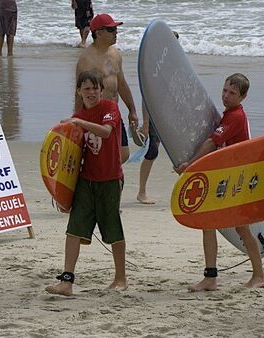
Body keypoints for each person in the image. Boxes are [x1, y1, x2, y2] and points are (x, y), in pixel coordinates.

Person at [175, 73, 264, 291]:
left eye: (232, 93)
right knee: (209, 224)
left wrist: (191, 165)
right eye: (225, 90)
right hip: (228, 177)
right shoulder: (229, 115)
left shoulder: (235, 117)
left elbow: (211, 142)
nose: (226, 95)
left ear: (242, 97)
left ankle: (259, 275)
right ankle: (210, 277)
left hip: (238, 180)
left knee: (242, 228)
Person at [45, 70, 127, 296]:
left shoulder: (110, 108)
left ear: (101, 89)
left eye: (95, 88)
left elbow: (107, 132)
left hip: (110, 180)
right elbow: (70, 158)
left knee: (113, 230)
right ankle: (67, 281)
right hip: (85, 182)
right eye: (86, 88)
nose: (91, 92)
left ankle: (120, 278)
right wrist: (63, 194)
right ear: (79, 91)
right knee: (74, 230)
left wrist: (80, 121)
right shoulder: (77, 117)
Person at [75, 13, 138, 163]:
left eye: (115, 29)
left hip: (113, 113)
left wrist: (132, 110)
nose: (116, 33)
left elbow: (121, 85)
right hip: (95, 116)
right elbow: (79, 93)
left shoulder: (115, 54)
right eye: (111, 30)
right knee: (101, 157)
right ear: (98, 33)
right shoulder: (86, 60)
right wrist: (77, 120)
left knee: (123, 154)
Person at [136, 30, 179, 204]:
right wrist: (145, 123)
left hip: (167, 115)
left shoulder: (175, 65)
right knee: (151, 152)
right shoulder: (157, 67)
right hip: (154, 115)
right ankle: (141, 192)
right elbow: (146, 96)